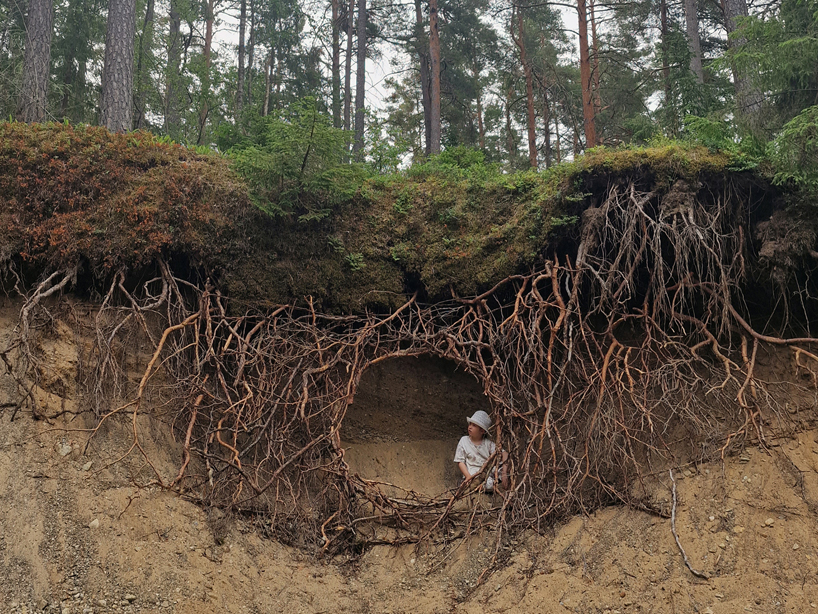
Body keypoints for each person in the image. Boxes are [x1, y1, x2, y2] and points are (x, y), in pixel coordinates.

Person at [454, 410, 508, 493]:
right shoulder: (464, 441)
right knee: (472, 481)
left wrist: (504, 473)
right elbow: (460, 461)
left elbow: (504, 453)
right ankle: (471, 485)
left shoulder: (488, 444)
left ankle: (481, 487)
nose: (470, 427)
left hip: (485, 474)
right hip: (472, 472)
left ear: (482, 431)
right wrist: (468, 477)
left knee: (490, 484)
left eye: (474, 425)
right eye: (470, 424)